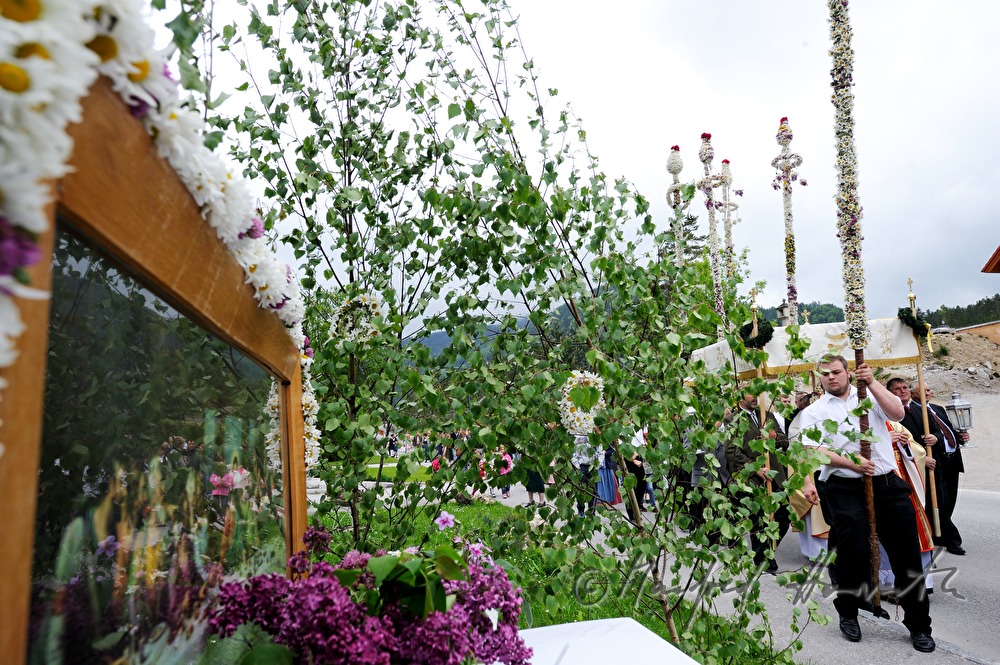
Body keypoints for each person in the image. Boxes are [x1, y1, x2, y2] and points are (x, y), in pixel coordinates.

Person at [798, 356, 934, 653]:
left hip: (885, 481)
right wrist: (851, 463)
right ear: (819, 378)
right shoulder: (814, 411)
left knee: (907, 554)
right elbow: (812, 449)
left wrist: (871, 382)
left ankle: (919, 625)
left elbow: (897, 412)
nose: (831, 377)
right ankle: (848, 611)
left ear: (848, 372)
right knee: (851, 549)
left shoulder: (870, 396)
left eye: (836, 372)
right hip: (844, 485)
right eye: (825, 374)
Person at [889, 378, 968, 555]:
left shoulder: (922, 412)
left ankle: (938, 533)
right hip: (911, 466)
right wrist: (922, 458)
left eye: (904, 388)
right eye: (897, 389)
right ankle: (951, 538)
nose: (903, 392)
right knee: (932, 503)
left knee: (943, 502)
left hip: (936, 464)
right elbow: (902, 441)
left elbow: (937, 430)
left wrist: (936, 438)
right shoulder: (891, 415)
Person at [725, 392, 790, 573]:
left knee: (784, 515)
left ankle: (769, 549)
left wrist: (774, 436)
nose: (756, 398)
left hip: (776, 475)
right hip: (752, 477)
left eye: (758, 394)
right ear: (740, 396)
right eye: (751, 394)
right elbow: (730, 452)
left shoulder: (767, 416)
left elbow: (785, 442)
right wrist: (754, 468)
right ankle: (763, 559)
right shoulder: (733, 420)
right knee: (760, 519)